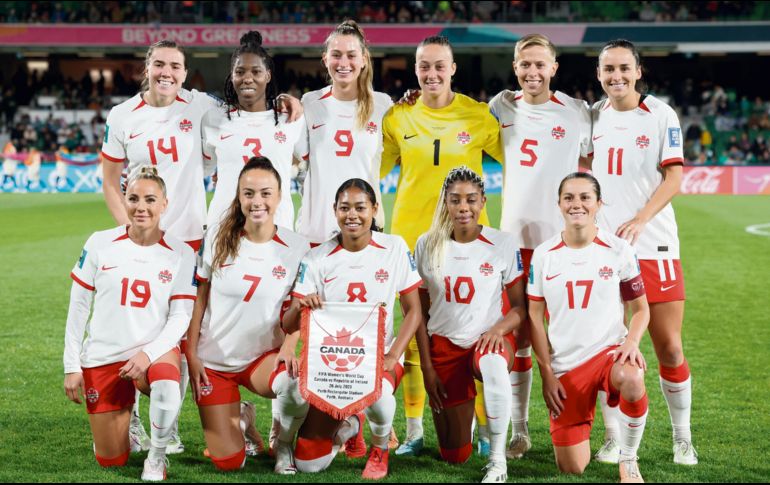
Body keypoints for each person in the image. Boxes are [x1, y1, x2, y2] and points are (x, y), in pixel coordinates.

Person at [100, 39, 302, 455]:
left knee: (228, 325)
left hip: (194, 238)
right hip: (154, 237)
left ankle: (232, 420)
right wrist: (131, 234)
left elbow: (259, 106)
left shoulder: (200, 106)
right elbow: (109, 178)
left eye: (175, 66)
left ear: (185, 72)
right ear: (147, 66)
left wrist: (287, 98)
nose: (167, 73)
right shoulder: (123, 115)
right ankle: (144, 419)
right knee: (140, 324)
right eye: (159, 64)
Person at [379, 35, 503, 457]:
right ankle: (413, 430)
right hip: (413, 242)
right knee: (417, 336)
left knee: (477, 334)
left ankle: (487, 431)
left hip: (469, 243)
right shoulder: (397, 116)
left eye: (439, 66)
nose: (431, 74)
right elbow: (369, 167)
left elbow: (522, 160)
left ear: (453, 69)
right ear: (415, 70)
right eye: (423, 66)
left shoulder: (478, 115)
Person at [591, 39, 698, 466]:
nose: (615, 76)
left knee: (669, 347)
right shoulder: (593, 115)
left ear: (638, 71)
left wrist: (639, 219)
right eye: (607, 70)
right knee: (610, 347)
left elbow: (673, 178)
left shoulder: (661, 114)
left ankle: (682, 438)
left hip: (655, 246)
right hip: (605, 253)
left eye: (622, 68)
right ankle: (614, 438)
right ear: (599, 75)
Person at [488, 33, 593, 459]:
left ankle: (582, 429)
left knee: (571, 340)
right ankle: (520, 431)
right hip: (513, 247)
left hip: (562, 247)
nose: (532, 72)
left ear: (554, 67)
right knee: (524, 344)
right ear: (516, 68)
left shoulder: (578, 113)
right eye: (524, 65)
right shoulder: (500, 108)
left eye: (539, 64)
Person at [63, 166, 196, 481]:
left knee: (167, 381)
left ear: (164, 204)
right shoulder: (99, 243)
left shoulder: (182, 253)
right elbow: (79, 305)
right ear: (124, 200)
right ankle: (128, 422)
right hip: (105, 357)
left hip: (152, 352)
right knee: (111, 459)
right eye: (134, 198)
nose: (141, 207)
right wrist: (72, 365)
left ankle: (157, 456)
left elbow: (181, 316)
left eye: (150, 199)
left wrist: (147, 355)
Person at [286, 178, 423, 479]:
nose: (352, 215)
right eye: (344, 208)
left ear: (375, 209)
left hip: (378, 359)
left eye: (360, 208)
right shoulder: (316, 258)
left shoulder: (394, 248)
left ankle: (379, 448)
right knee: (309, 464)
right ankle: (351, 425)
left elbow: (414, 311)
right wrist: (299, 306)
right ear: (334, 210)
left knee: (380, 395)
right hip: (331, 365)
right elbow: (287, 324)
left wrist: (393, 354)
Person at [186, 157, 310, 474]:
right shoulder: (216, 238)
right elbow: (198, 300)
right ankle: (243, 420)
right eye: (249, 193)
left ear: (280, 197)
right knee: (229, 463)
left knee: (296, 384)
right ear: (239, 197)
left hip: (262, 358)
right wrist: (191, 353)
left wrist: (288, 346)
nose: (257, 202)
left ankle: (282, 444)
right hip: (214, 362)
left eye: (265, 193)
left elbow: (299, 308)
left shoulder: (297, 247)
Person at [528, 172, 650, 482]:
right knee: (571, 467)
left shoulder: (619, 249)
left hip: (608, 354)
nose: (576, 204)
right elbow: (534, 319)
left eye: (585, 197)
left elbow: (641, 310)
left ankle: (628, 459)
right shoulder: (543, 255)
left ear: (598, 203)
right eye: (569, 197)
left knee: (632, 377)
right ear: (559, 204)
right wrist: (547, 373)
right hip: (566, 366)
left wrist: (631, 342)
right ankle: (589, 426)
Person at [413, 166, 526, 483]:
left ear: (483, 202)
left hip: (488, 340)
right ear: (445, 203)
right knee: (454, 455)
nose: (464, 208)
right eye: (456, 200)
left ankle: (497, 461)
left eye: (471, 200)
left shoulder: (502, 243)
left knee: (492, 363)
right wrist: (427, 367)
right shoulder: (426, 244)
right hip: (444, 345)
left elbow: (519, 308)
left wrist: (498, 330)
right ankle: (471, 423)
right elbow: (418, 315)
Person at [295, 20, 393, 244]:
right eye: (336, 55)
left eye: (351, 55)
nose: (343, 63)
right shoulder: (309, 103)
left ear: (363, 60)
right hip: (315, 230)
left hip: (366, 229)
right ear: (325, 59)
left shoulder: (383, 105)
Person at [202, 31, 305, 231]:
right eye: (240, 72)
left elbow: (311, 167)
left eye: (256, 72)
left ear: (268, 75)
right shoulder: (213, 119)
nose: (247, 78)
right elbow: (202, 168)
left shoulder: (290, 118)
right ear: (231, 76)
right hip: (224, 231)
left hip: (277, 231)